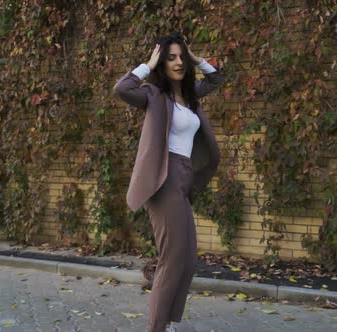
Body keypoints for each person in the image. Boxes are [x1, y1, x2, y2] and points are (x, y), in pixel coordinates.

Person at [113, 32, 224, 332]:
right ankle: (156, 328)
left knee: (187, 259)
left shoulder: (189, 97)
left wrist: (196, 57)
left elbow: (215, 80)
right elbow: (122, 88)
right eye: (171, 57)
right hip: (163, 179)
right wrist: (147, 65)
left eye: (180, 57)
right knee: (172, 259)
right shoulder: (154, 95)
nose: (177, 63)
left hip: (184, 177)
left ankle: (166, 323)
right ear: (162, 63)